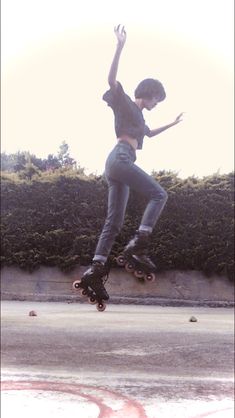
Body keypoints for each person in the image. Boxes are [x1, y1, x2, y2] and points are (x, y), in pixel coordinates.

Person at [79, 25, 183, 300]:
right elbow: (111, 80)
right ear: (146, 94)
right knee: (159, 194)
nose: (156, 104)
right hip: (120, 158)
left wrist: (172, 124)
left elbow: (149, 132)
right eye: (156, 100)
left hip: (116, 166)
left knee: (114, 222)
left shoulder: (141, 119)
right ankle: (138, 244)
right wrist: (119, 46)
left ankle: (95, 269)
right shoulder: (125, 103)